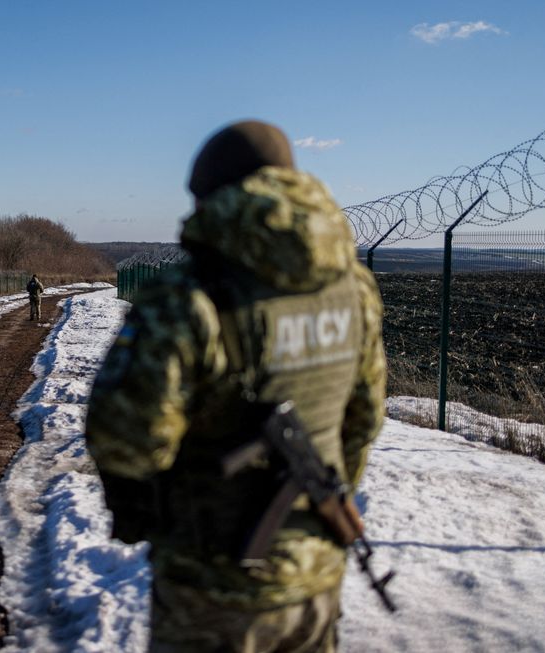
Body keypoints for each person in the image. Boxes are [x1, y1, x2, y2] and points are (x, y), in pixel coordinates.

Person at [85, 120, 386, 652]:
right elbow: (363, 418)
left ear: (211, 198)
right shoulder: (351, 286)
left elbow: (127, 438)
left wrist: (148, 513)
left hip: (212, 584)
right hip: (317, 571)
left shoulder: (189, 294)